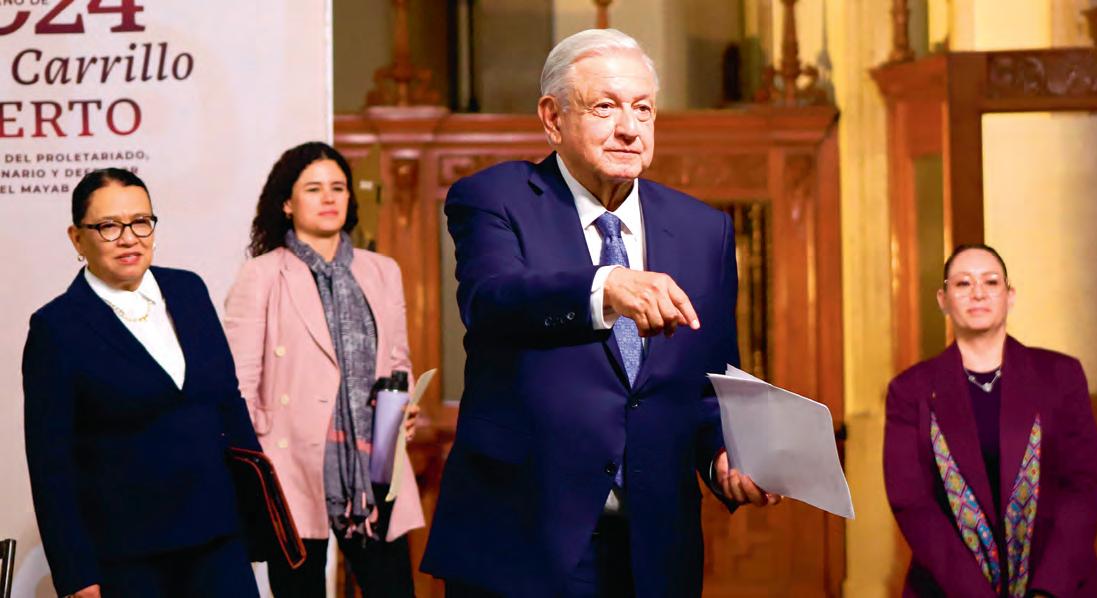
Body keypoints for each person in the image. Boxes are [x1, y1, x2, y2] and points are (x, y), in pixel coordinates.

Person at [421, 29, 779, 597]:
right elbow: (491, 299)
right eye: (605, 107)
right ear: (552, 118)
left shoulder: (702, 230)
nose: (630, 128)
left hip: (653, 545)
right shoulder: (496, 198)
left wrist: (723, 455)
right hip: (522, 536)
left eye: (643, 109)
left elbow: (711, 384)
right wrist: (605, 286)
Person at [23, 168, 261, 597]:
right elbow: (50, 465)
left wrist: (259, 518)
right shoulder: (56, 328)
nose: (129, 238)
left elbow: (228, 402)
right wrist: (77, 574)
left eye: (140, 222)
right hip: (128, 560)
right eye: (109, 226)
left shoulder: (189, 290)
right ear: (77, 239)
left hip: (220, 542)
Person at [224, 141, 424, 598]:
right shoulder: (262, 275)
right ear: (287, 203)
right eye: (313, 189)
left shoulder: (382, 271)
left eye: (338, 187)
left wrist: (405, 405)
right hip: (291, 466)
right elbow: (238, 384)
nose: (329, 197)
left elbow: (397, 360)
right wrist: (256, 462)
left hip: (374, 465)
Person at [884, 244, 1097, 597]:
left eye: (991, 282)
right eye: (963, 283)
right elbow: (912, 503)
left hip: (1056, 585)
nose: (978, 293)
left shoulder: (1061, 375)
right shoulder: (910, 390)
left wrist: (1047, 589)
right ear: (943, 300)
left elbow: (1083, 485)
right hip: (951, 588)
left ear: (1009, 296)